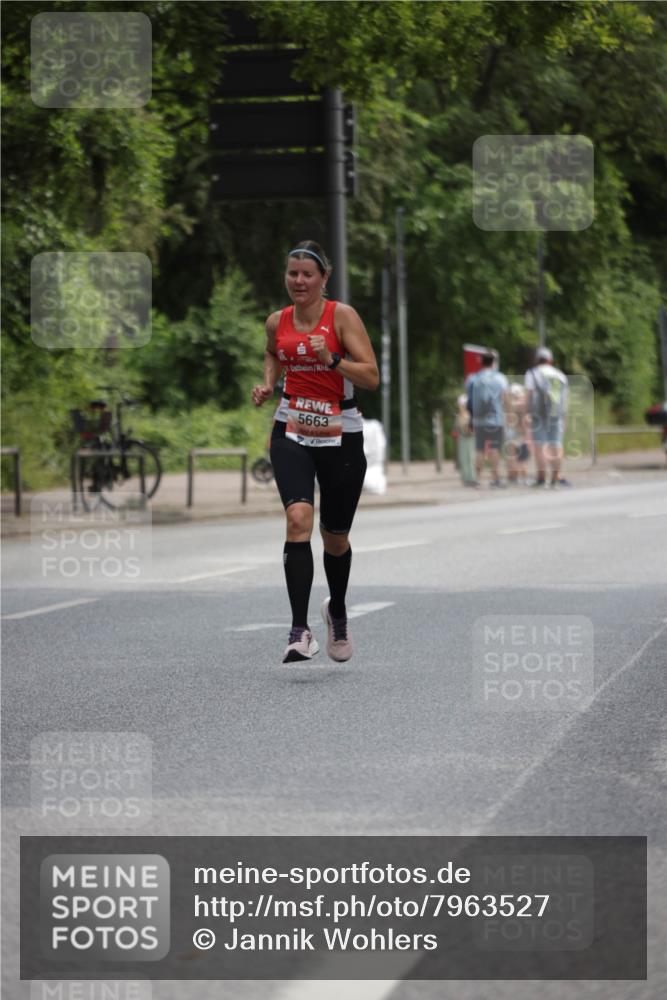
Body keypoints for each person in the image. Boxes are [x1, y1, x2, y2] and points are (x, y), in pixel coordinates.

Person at [251, 241, 379, 664]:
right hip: (291, 429)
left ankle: (336, 611)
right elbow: (274, 351)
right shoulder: (277, 320)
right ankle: (299, 629)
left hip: (341, 433)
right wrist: (270, 383)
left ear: (325, 278)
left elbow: (372, 376)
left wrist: (333, 360)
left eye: (307, 274)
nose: (299, 281)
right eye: (292, 273)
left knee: (335, 538)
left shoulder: (341, 317)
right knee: (297, 518)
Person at [524, 346, 569, 487]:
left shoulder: (532, 373)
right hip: (557, 413)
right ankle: (556, 477)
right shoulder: (560, 375)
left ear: (538, 359)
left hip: (539, 414)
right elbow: (565, 398)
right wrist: (565, 417)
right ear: (550, 360)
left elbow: (529, 395)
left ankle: (541, 478)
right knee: (556, 444)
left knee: (539, 445)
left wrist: (526, 414)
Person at [467, 351, 510, 487]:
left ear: (481, 362)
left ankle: (477, 479)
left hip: (478, 419)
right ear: (493, 362)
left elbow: (469, 400)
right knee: (495, 448)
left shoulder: (472, 379)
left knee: (479, 448)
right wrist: (507, 414)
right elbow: (505, 399)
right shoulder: (500, 378)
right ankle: (495, 478)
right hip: (496, 419)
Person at [454, 393, 477, 486]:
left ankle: (472, 478)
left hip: (471, 438)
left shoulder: (472, 414)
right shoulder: (459, 416)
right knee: (464, 458)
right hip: (463, 438)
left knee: (471, 458)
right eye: (462, 404)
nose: (463, 406)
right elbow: (457, 427)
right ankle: (466, 478)